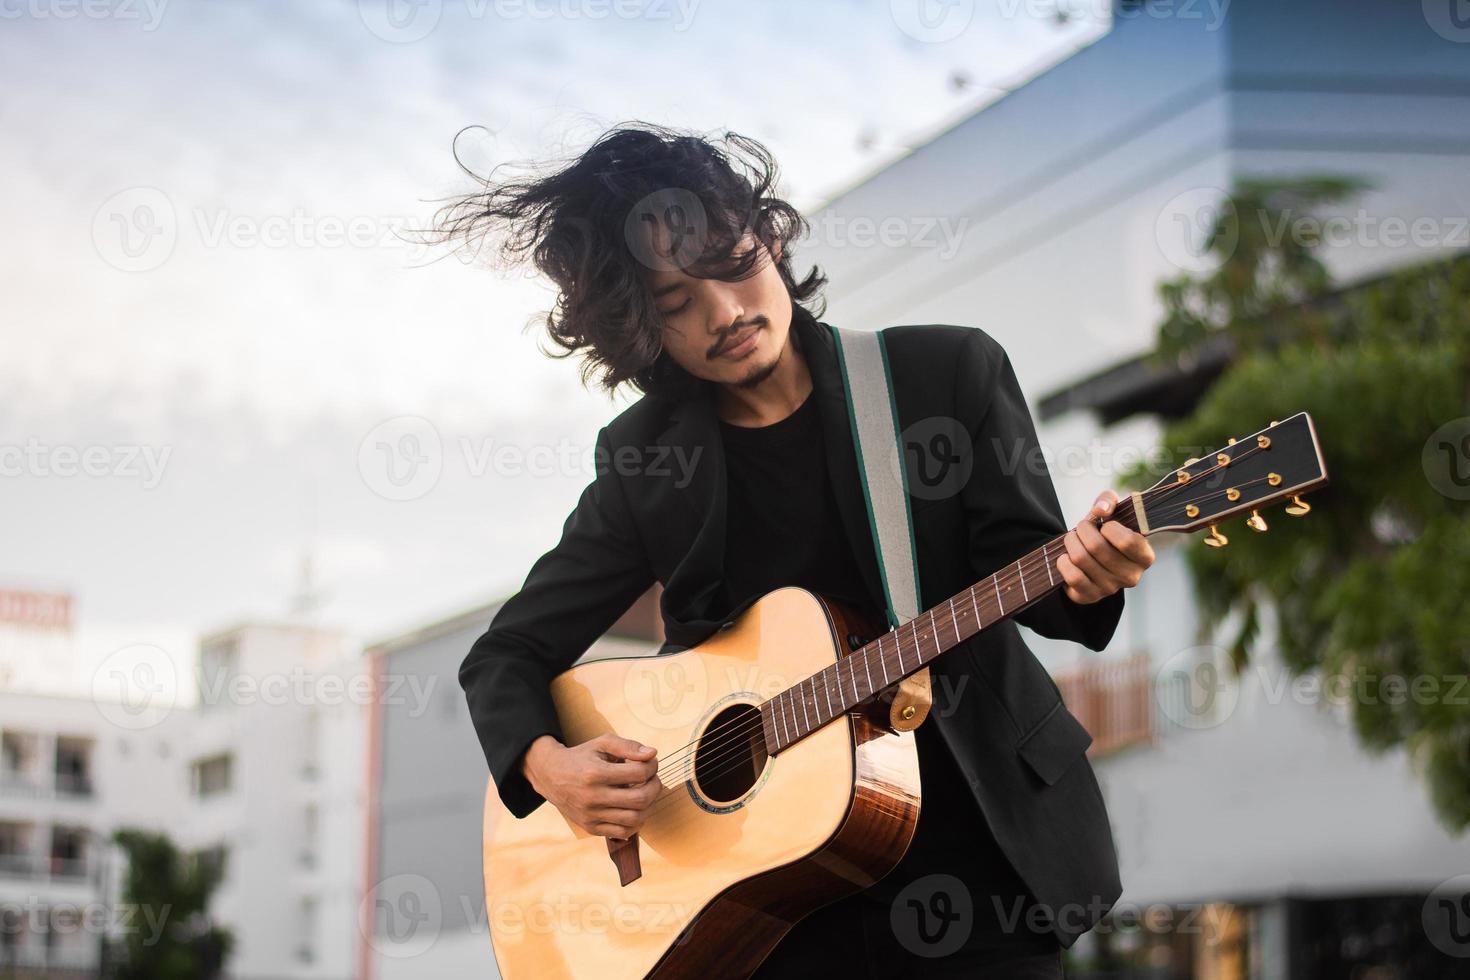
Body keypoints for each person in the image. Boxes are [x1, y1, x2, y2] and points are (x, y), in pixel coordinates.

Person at [440, 122, 1155, 978]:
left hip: (978, 863)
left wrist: (1088, 576)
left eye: (735, 265)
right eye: (675, 306)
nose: (727, 314)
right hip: (763, 899)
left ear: (771, 240)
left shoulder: (943, 376)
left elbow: (1036, 577)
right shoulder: (646, 463)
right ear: (638, 332)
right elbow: (506, 655)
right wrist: (550, 767)